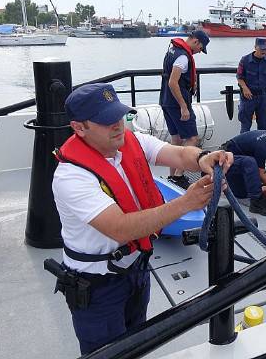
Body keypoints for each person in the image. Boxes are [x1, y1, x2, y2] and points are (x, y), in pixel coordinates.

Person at [52, 83, 233, 354]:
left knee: (137, 343)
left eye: (118, 116)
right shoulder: (70, 177)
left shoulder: (130, 141)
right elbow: (121, 228)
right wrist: (187, 203)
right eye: (105, 121)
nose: (117, 125)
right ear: (80, 128)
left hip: (137, 269)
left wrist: (205, 158)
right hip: (98, 288)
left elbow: (180, 154)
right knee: (106, 352)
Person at [159, 29, 210, 189]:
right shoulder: (182, 56)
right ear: (196, 42)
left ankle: (172, 176)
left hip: (166, 100)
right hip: (176, 103)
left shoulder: (173, 50)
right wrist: (183, 107)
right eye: (200, 48)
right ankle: (179, 176)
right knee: (193, 138)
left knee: (176, 139)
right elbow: (173, 82)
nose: (198, 52)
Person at [221, 130, 266, 215]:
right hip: (226, 163)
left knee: (251, 166)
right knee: (242, 193)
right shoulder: (261, 148)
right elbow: (261, 175)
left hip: (241, 157)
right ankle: (256, 203)